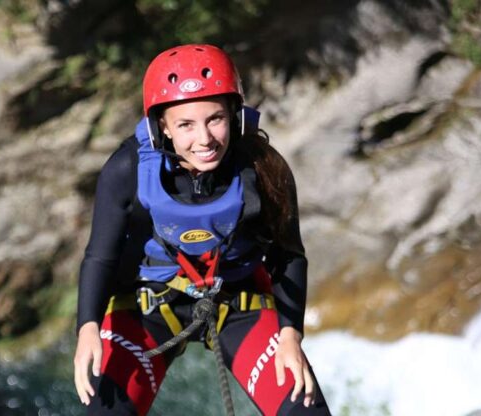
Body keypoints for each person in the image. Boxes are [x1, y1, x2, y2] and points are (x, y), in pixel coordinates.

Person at [73, 44, 331, 415]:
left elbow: (288, 255)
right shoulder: (127, 170)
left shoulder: (263, 169)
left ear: (235, 116)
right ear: (161, 126)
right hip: (147, 306)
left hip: (237, 303)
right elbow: (100, 255)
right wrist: (88, 328)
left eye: (215, 119)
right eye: (185, 125)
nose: (205, 140)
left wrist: (290, 334)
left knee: (305, 408)